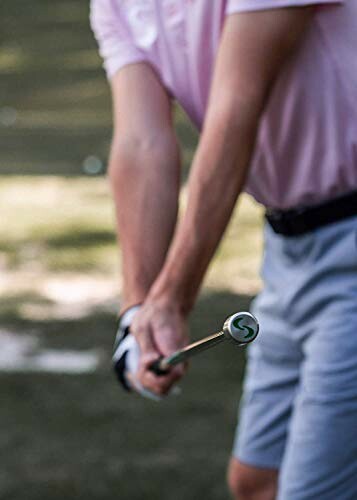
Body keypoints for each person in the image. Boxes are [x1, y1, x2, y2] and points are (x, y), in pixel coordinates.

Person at [90, 1, 357, 498]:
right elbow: (142, 144)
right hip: (288, 249)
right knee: (258, 481)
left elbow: (238, 105)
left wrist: (172, 299)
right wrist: (139, 310)